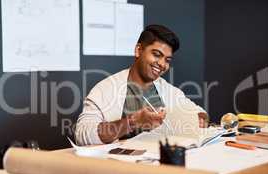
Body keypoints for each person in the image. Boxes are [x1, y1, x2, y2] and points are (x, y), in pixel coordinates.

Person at [75, 24, 208, 145]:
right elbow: (82, 135)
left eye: (167, 60)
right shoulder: (104, 89)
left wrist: (200, 119)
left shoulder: (167, 90)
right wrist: (132, 122)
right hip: (121, 167)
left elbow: (199, 112)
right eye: (156, 54)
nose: (162, 64)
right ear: (138, 50)